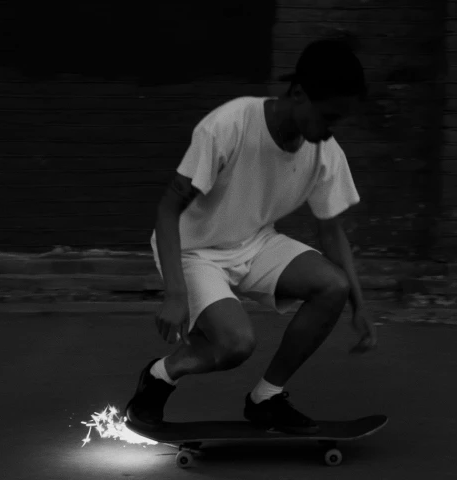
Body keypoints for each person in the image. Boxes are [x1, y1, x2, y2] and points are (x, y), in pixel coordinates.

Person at [125, 39, 377, 436]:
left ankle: (267, 398)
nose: (329, 132)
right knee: (235, 345)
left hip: (255, 242)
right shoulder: (229, 125)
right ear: (298, 94)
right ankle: (159, 376)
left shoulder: (325, 152)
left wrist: (358, 306)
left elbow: (331, 230)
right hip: (194, 250)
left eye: (337, 123)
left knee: (333, 286)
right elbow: (167, 209)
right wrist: (175, 292)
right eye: (327, 117)